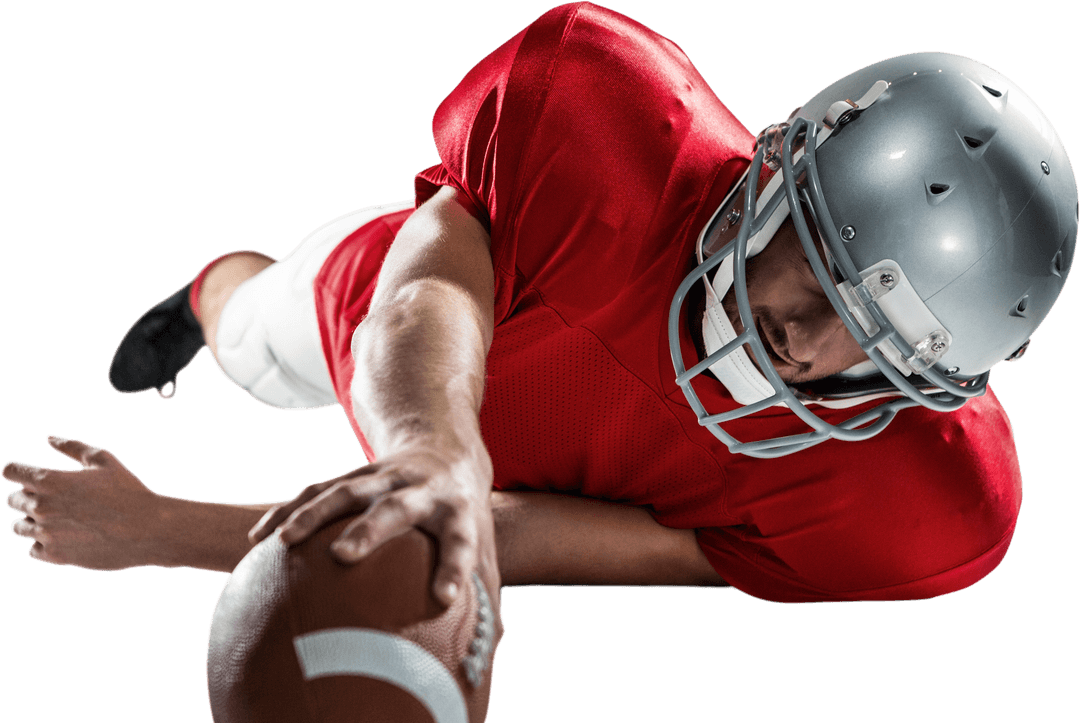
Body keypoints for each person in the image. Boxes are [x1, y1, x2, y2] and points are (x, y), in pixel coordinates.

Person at [4, 2, 1077, 607]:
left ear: (937, 385)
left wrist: (168, 530)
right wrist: (429, 450)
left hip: (496, 458)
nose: (805, 342)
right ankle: (210, 285)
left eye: (881, 349)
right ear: (779, 174)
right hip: (377, 312)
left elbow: (599, 542)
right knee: (254, 351)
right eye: (820, 264)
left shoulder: (921, 505)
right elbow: (427, 285)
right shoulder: (608, 120)